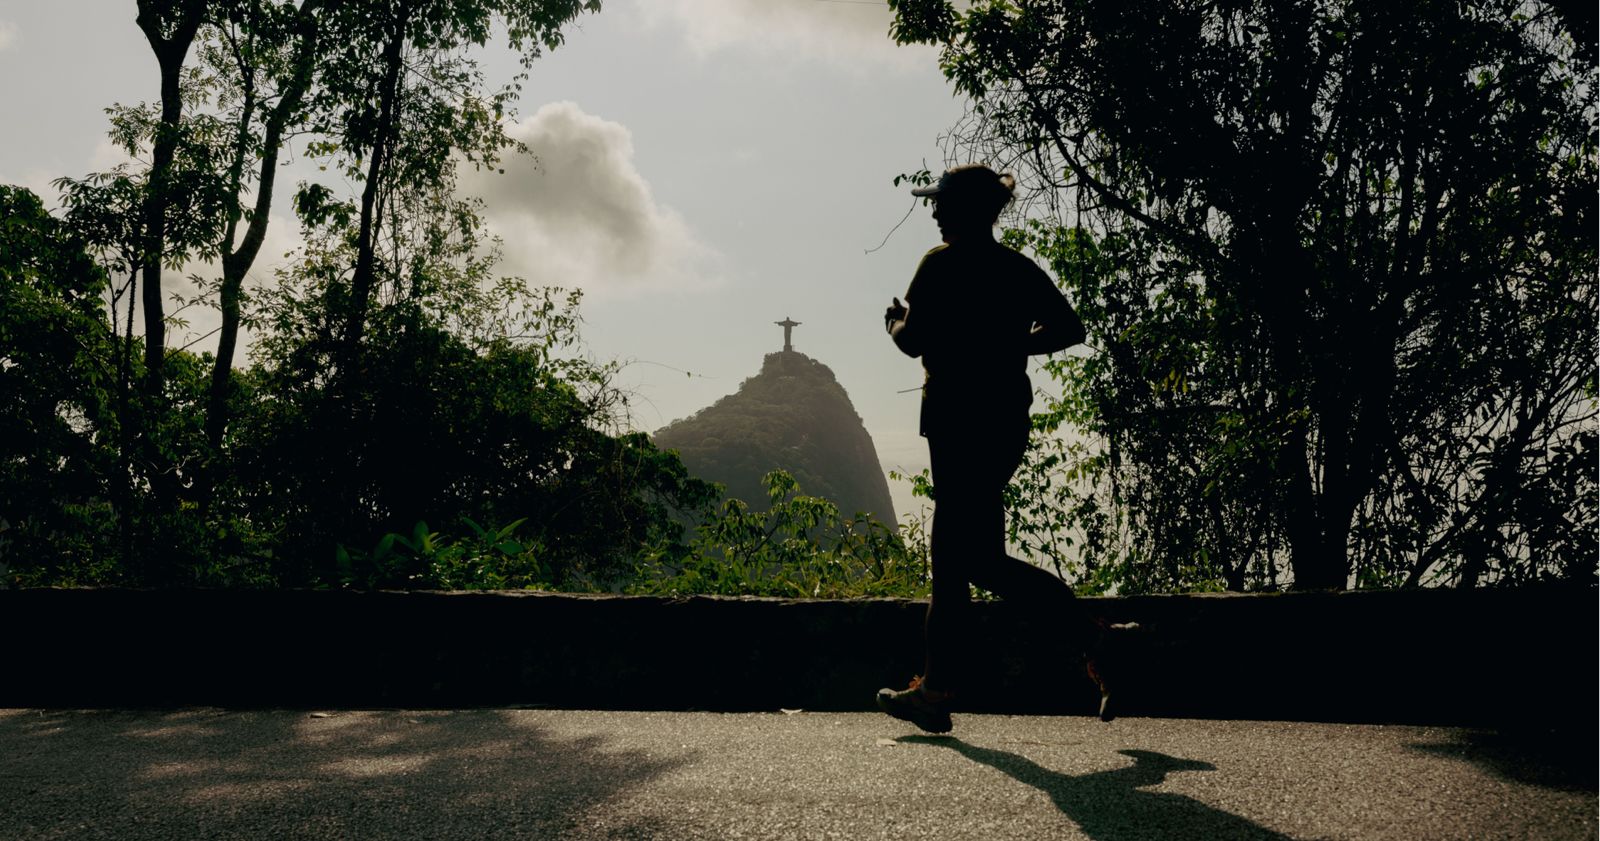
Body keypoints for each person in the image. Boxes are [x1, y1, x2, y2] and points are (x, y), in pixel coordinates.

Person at [876, 164, 1121, 734]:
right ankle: (939, 688)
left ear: (965, 210)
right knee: (972, 560)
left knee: (957, 560)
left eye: (941, 204)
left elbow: (913, 341)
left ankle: (1090, 642)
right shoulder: (1016, 269)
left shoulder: (940, 264)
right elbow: (1070, 328)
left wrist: (894, 322)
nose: (934, 212)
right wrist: (1008, 344)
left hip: (956, 423)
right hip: (1005, 421)